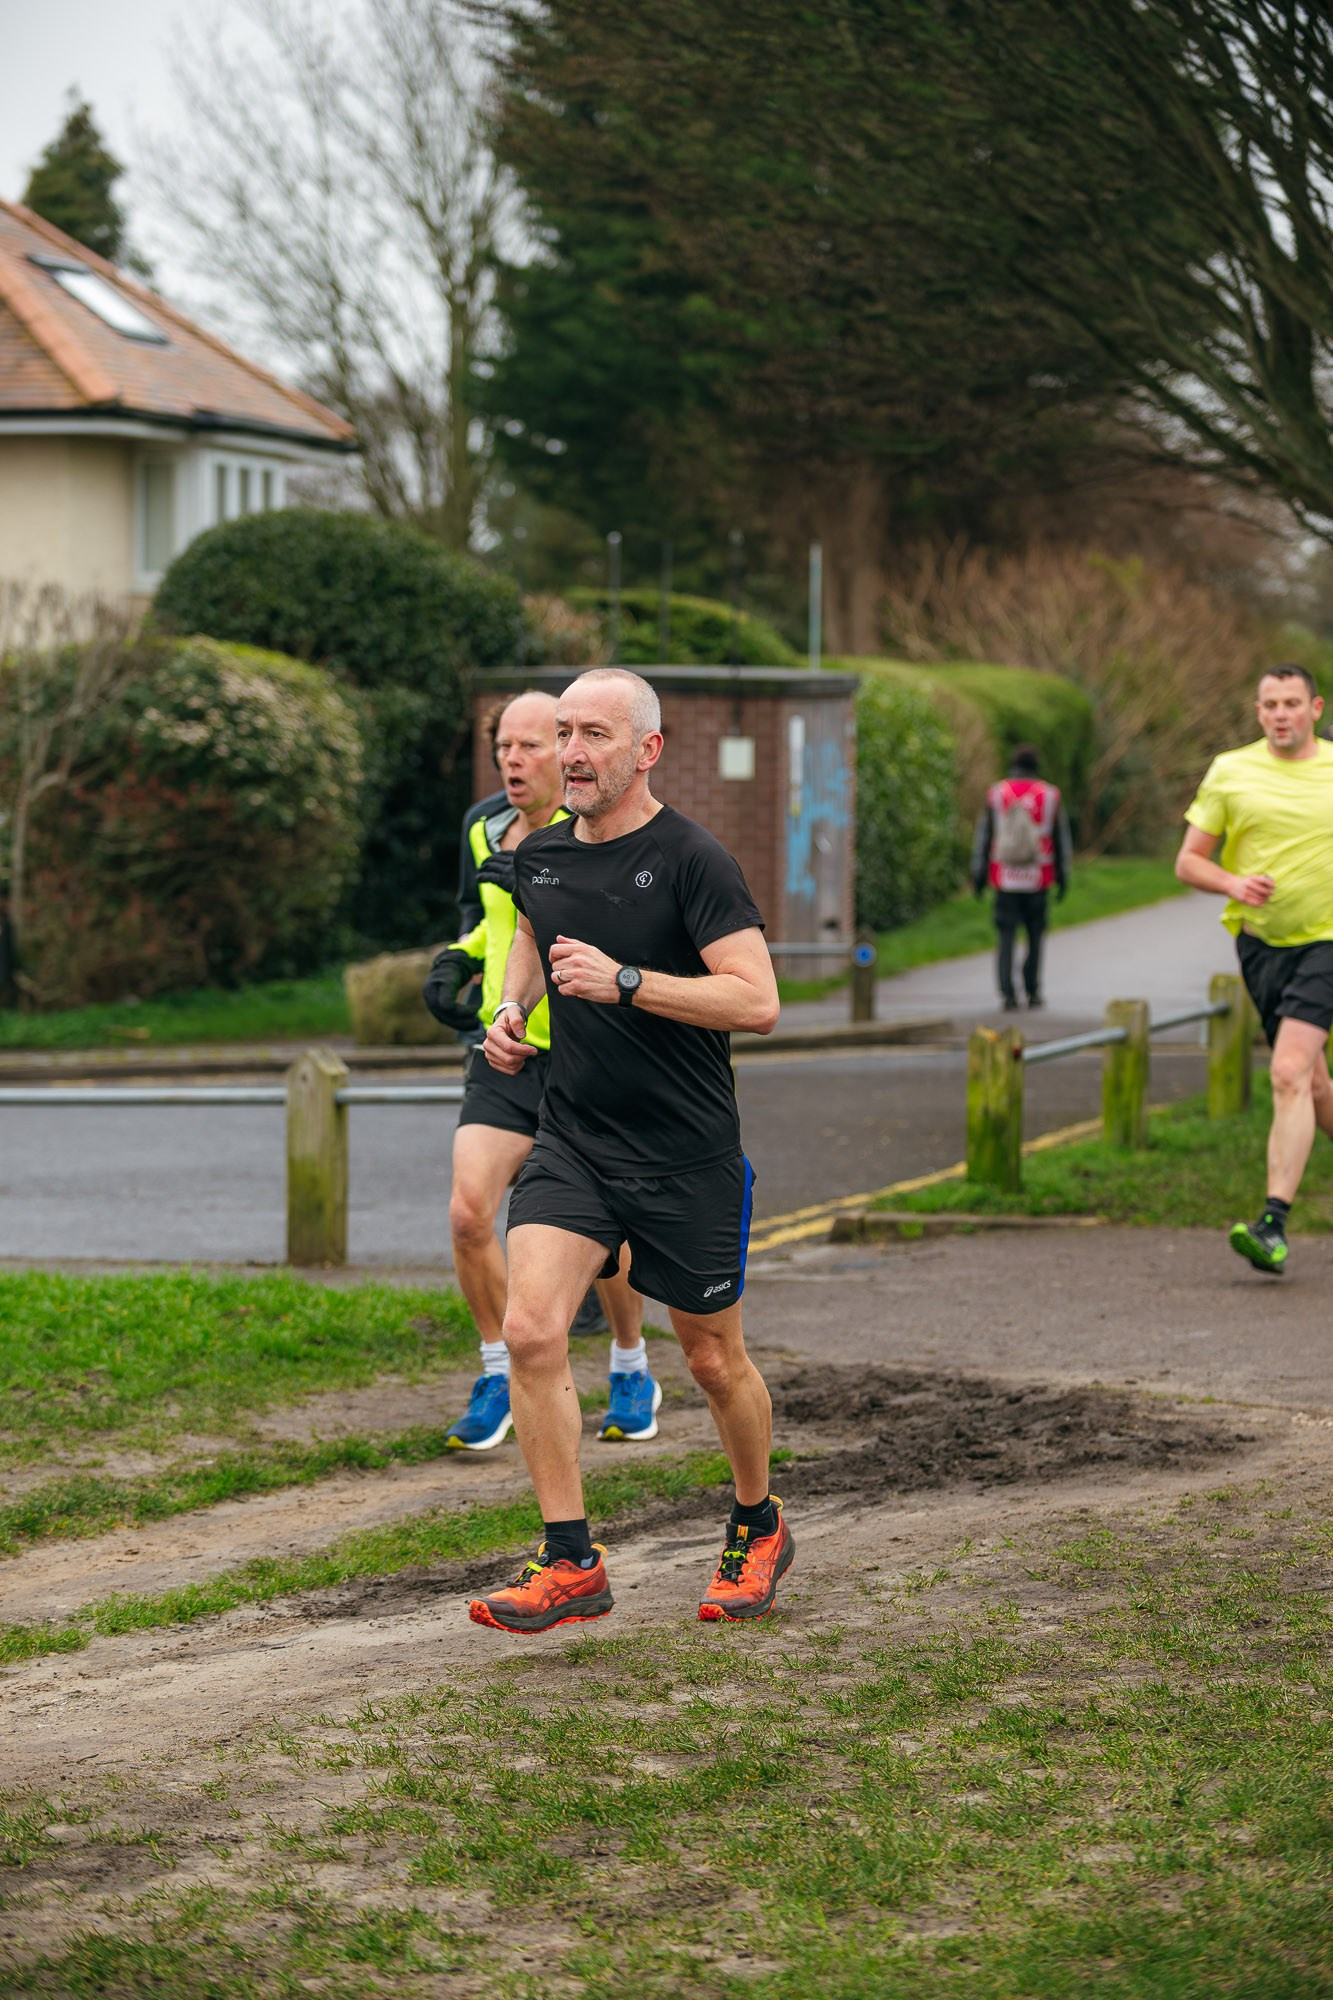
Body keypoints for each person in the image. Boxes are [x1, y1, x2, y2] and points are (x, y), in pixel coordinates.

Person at [469, 667, 792, 1634]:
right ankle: (570, 1559)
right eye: (563, 732)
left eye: (594, 735)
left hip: (685, 1153)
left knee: (712, 1359)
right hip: (573, 1139)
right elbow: (534, 935)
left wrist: (628, 981)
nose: (570, 753)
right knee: (531, 1331)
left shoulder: (694, 860)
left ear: (647, 751)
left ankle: (757, 1523)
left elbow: (757, 1002)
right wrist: (510, 1008)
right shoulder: (540, 855)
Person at [423, 690, 656, 1448]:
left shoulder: (596, 829)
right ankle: (497, 1369)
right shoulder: (483, 826)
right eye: (503, 747)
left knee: (607, 1235)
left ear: (564, 752)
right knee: (468, 1214)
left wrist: (546, 875)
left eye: (530, 746)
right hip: (506, 1049)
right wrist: (457, 961)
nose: (513, 761)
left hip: (586, 1057)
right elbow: (484, 921)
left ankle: (630, 1365)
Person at [1176, 662, 1333, 1274]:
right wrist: (1233, 883)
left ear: (1315, 709)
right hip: (1261, 946)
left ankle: (1272, 1224)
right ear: (1258, 711)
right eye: (1270, 705)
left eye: (1292, 703)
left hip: (1327, 943)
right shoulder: (1230, 771)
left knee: (1288, 1071)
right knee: (1312, 1087)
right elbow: (1189, 862)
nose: (1280, 715)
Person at [971, 744, 1072, 1011]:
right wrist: (1064, 876)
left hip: (1004, 879)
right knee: (1035, 937)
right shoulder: (1049, 795)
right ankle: (1033, 990)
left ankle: (1007, 993)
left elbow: (984, 836)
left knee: (1006, 935)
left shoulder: (997, 793)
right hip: (1038, 879)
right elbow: (1061, 839)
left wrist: (978, 874)